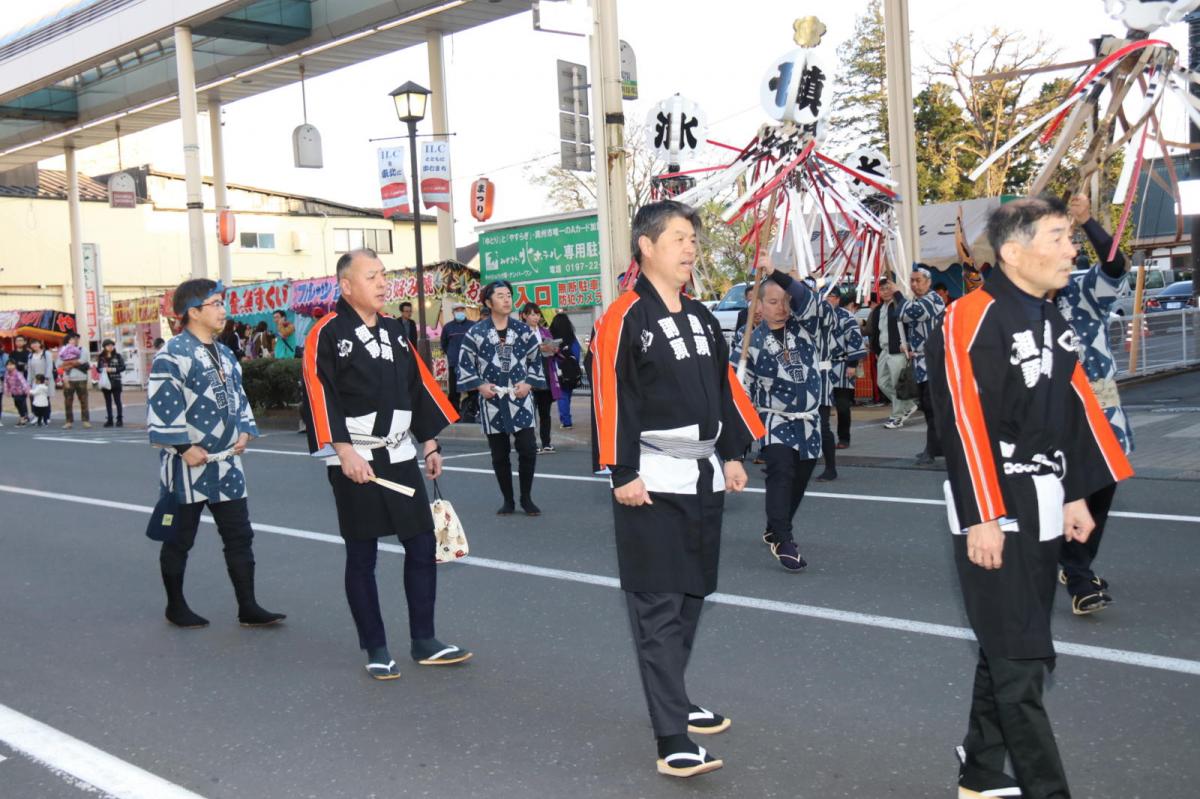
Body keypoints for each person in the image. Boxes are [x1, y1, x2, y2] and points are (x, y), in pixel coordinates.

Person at [927, 196, 1133, 799]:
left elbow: (1074, 409)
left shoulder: (1052, 316)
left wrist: (1075, 493)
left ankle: (982, 771)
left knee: (1014, 642)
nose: (1073, 249)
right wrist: (981, 515)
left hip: (1042, 495)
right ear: (1015, 254)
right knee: (1022, 662)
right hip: (997, 497)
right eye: (1059, 237)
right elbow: (963, 420)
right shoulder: (970, 315)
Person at [592, 200, 764, 778]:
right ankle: (671, 737)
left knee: (691, 596)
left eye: (694, 238)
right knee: (659, 606)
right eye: (679, 238)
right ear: (646, 246)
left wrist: (734, 452)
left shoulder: (700, 316)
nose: (690, 248)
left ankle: (676, 698)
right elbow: (611, 394)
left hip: (703, 474)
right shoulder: (623, 317)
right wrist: (621, 471)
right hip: (652, 477)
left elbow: (723, 386)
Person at [303, 249, 469, 679]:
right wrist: (343, 453)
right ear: (346, 286)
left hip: (399, 454)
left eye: (383, 276)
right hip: (356, 457)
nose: (382, 284)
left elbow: (418, 387)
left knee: (420, 544)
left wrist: (429, 444)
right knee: (362, 553)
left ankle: (424, 639)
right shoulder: (327, 332)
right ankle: (375, 646)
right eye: (372, 276)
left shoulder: (397, 330)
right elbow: (320, 393)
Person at [147, 278, 286, 629]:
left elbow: (239, 399)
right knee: (180, 538)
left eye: (223, 303)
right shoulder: (172, 353)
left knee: (239, 535)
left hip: (226, 463)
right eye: (216, 304)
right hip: (188, 463)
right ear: (192, 312)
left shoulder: (225, 353)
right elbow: (163, 404)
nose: (224, 310)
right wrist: (182, 446)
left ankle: (248, 606)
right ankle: (175, 605)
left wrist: (244, 428)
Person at [1051, 194, 1135, 615]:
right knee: (1071, 488)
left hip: (1101, 406)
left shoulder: (1082, 288)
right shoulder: (1021, 302)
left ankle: (1076, 562)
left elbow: (1117, 266)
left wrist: (1087, 221)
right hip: (1051, 412)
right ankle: (1079, 575)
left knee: (1101, 489)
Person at [733, 266, 835, 570]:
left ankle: (776, 526)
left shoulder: (808, 328)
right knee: (781, 471)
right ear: (759, 305)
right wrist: (740, 435)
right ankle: (783, 539)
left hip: (809, 421)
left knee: (799, 480)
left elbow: (810, 301)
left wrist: (778, 271)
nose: (783, 308)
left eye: (787, 300)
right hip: (774, 420)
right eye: (774, 301)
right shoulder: (749, 337)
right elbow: (741, 387)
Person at [456, 280, 547, 515]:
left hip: (520, 397)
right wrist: (479, 385)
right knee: (499, 454)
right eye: (500, 296)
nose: (507, 299)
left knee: (527, 448)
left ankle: (526, 497)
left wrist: (528, 383)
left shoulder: (523, 331)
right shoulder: (475, 333)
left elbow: (535, 361)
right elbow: (465, 364)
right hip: (492, 400)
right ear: (488, 302)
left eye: (509, 295)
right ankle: (508, 499)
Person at [817, 288, 865, 479]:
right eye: (825, 296)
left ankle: (844, 437)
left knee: (843, 405)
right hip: (823, 366)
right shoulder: (817, 316)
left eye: (830, 296)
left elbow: (855, 340)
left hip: (843, 364)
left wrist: (853, 364)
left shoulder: (846, 316)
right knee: (823, 409)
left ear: (837, 299)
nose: (827, 300)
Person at [900, 267, 947, 465]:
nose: (914, 284)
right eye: (912, 281)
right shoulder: (917, 301)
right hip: (921, 361)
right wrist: (909, 346)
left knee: (933, 406)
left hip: (935, 361)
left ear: (928, 282)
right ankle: (936, 447)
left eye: (918, 280)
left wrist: (896, 293)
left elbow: (909, 314)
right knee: (928, 407)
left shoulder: (933, 299)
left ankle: (933, 448)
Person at [866, 277, 917, 428]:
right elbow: (873, 330)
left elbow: (911, 322)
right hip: (884, 350)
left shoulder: (900, 304)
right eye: (882, 289)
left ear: (894, 288)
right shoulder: (878, 309)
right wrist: (876, 350)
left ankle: (897, 416)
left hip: (898, 350)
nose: (885, 291)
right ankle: (908, 405)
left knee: (897, 384)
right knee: (882, 383)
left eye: (888, 288)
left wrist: (908, 344)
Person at [521, 302, 561, 453]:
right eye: (532, 314)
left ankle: (546, 443)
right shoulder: (520, 332)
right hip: (528, 378)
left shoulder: (545, 331)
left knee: (545, 414)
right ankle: (532, 443)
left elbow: (554, 350)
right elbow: (517, 352)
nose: (535, 317)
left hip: (545, 375)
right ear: (524, 315)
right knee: (530, 414)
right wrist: (538, 348)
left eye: (537, 314)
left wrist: (554, 348)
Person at [440, 302, 475, 418]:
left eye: (461, 310)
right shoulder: (448, 327)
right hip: (454, 363)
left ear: (465, 311)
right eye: (457, 310)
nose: (460, 312)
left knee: (472, 388)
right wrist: (451, 354)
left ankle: (472, 411)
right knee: (454, 390)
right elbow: (444, 344)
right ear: (453, 312)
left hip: (470, 363)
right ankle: (454, 414)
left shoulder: (472, 325)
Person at [548, 312, 582, 428]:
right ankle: (566, 419)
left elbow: (548, 355)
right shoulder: (572, 338)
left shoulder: (551, 337)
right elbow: (577, 355)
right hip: (571, 372)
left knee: (562, 396)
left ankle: (566, 421)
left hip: (558, 372)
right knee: (567, 395)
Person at [57, 332, 91, 429]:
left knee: (84, 400)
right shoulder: (63, 350)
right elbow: (59, 363)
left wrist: (67, 363)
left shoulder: (82, 349)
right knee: (68, 401)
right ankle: (68, 421)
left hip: (81, 378)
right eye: (73, 338)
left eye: (77, 339)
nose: (75, 340)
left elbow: (83, 360)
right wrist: (72, 363)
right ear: (68, 340)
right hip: (68, 379)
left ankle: (85, 421)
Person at [97, 338, 126, 427]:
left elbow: (123, 367)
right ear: (104, 347)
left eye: (112, 345)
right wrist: (103, 369)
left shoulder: (118, 356)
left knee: (118, 401)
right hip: (105, 382)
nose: (110, 347)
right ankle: (110, 419)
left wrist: (112, 369)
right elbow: (98, 369)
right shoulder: (101, 357)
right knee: (108, 401)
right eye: (108, 345)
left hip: (116, 381)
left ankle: (119, 419)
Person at [25, 339, 55, 421]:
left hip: (45, 380)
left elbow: (49, 366)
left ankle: (46, 417)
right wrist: (28, 382)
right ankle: (36, 416)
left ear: (40, 344)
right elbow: (29, 370)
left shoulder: (47, 354)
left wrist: (47, 378)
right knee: (34, 399)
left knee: (45, 399)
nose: (34, 345)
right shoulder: (30, 355)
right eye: (32, 344)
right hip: (35, 381)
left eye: (35, 343)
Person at [4, 360, 30, 426]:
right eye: (8, 365)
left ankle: (22, 419)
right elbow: (6, 383)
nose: (10, 366)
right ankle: (24, 416)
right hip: (14, 392)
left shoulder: (17, 373)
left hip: (21, 392)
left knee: (20, 404)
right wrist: (7, 391)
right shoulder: (7, 374)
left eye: (12, 365)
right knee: (17, 404)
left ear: (15, 366)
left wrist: (27, 391)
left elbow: (23, 382)